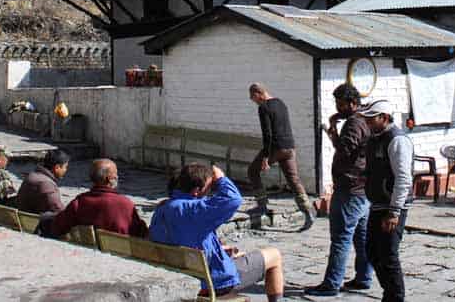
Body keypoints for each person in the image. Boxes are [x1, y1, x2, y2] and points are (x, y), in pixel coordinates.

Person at [150, 163, 285, 302]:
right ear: (196, 191)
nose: (211, 192)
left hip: (183, 272)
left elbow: (185, 238)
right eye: (209, 187)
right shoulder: (193, 209)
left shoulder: (162, 209)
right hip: (211, 282)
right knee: (274, 255)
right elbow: (233, 199)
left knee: (238, 255)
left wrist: (219, 251)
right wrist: (221, 179)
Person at [305, 84, 374, 297]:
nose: (338, 107)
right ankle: (363, 278)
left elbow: (345, 152)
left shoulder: (354, 124)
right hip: (363, 190)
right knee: (361, 239)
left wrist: (336, 133)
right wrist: (334, 129)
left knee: (341, 238)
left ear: (353, 103)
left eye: (341, 103)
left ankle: (332, 283)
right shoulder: (366, 120)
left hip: (350, 189)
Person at [362, 99, 413, 302]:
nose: (367, 123)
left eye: (371, 119)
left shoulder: (397, 140)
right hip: (377, 203)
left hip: (392, 205)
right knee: (373, 251)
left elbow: (403, 178)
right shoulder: (376, 138)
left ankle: (395, 297)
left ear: (384, 118)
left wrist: (394, 211)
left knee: (388, 254)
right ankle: (389, 293)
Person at [247, 83, 315, 230]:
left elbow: (268, 134)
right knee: (293, 179)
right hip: (289, 147)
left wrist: (266, 157)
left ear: (259, 93)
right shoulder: (281, 103)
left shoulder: (264, 107)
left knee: (252, 171)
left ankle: (262, 206)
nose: (254, 101)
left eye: (253, 98)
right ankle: (308, 211)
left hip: (276, 148)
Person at [51, 159, 148, 238]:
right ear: (109, 179)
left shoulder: (80, 202)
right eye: (115, 174)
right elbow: (140, 233)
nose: (117, 176)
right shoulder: (125, 204)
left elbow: (58, 226)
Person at [15, 149, 70, 214]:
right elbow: (58, 209)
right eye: (65, 167)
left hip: (25, 216)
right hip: (33, 221)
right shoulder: (46, 184)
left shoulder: (33, 175)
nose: (65, 170)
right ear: (57, 167)